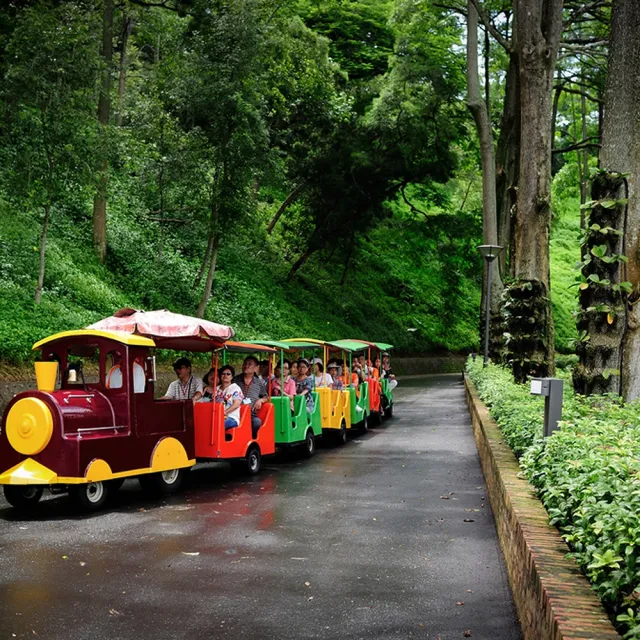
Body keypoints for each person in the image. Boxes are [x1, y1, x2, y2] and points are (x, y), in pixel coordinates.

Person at [233, 356, 268, 436]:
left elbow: (266, 397)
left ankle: (250, 439)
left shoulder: (258, 382)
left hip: (251, 415)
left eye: (249, 364)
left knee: (257, 422)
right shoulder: (235, 380)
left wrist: (261, 400)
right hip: (236, 413)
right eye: (245, 363)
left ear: (256, 368)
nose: (246, 366)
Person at [212, 365, 244, 430]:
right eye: (223, 374)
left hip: (231, 417)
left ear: (232, 377)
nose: (225, 375)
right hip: (216, 416)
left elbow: (236, 404)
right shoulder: (216, 389)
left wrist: (224, 412)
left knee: (219, 424)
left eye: (228, 374)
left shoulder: (235, 388)